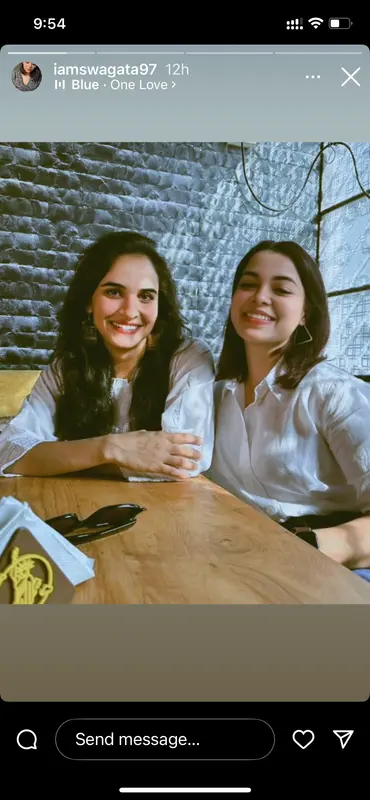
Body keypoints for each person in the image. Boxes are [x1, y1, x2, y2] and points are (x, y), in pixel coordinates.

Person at [208, 240, 370, 580]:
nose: (260, 297)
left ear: (306, 313)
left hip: (333, 563)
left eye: (281, 289)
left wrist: (304, 547)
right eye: (248, 285)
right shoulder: (215, 395)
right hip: (242, 556)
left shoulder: (333, 393)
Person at [0, 231, 215, 481]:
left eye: (145, 296)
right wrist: (111, 448)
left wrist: (64, 458)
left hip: (166, 512)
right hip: (78, 505)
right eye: (114, 292)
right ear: (88, 302)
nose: (129, 311)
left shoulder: (187, 358)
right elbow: (9, 452)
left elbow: (183, 460)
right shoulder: (68, 366)